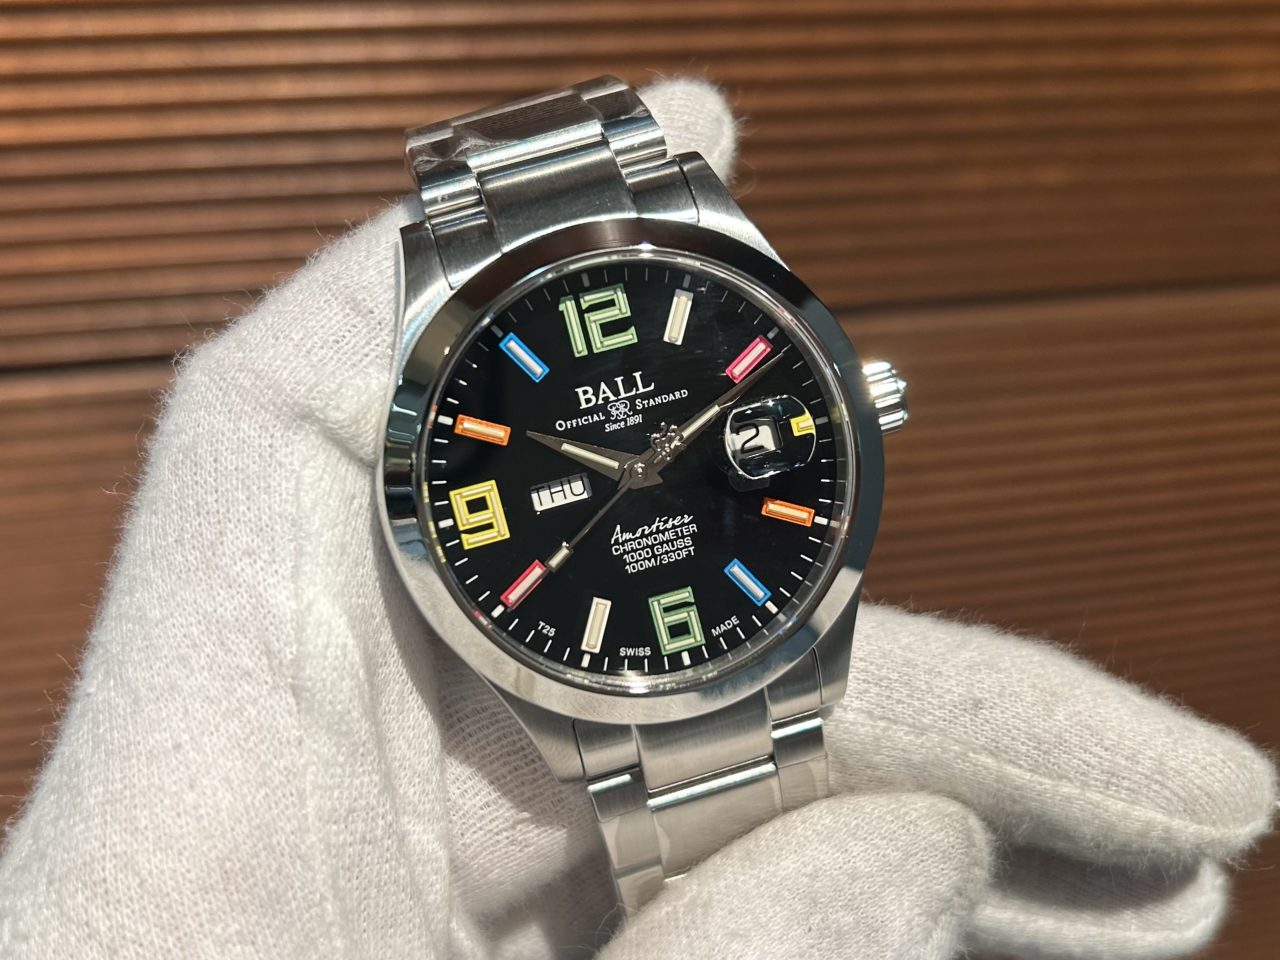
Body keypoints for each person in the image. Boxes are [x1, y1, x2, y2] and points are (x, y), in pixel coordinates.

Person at [0, 78, 1272, 960]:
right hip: (590, 665)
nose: (647, 465)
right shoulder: (454, 486)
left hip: (743, 620)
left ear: (853, 401)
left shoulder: (761, 409)